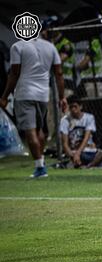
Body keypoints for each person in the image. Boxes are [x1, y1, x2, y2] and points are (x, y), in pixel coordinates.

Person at [0, 33, 67, 178]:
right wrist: (62, 97)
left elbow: (14, 73)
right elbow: (59, 73)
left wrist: (4, 96)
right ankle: (41, 163)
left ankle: (40, 167)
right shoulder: (50, 47)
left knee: (30, 131)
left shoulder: (18, 47)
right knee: (40, 130)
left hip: (24, 93)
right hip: (43, 94)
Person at [59, 95, 97, 168]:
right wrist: (72, 155)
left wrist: (78, 154)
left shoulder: (89, 118)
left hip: (87, 150)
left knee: (85, 156)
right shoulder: (65, 120)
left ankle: (77, 164)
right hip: (72, 152)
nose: (73, 109)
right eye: (71, 107)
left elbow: (86, 138)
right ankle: (77, 163)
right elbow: (65, 143)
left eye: (75, 106)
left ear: (81, 107)